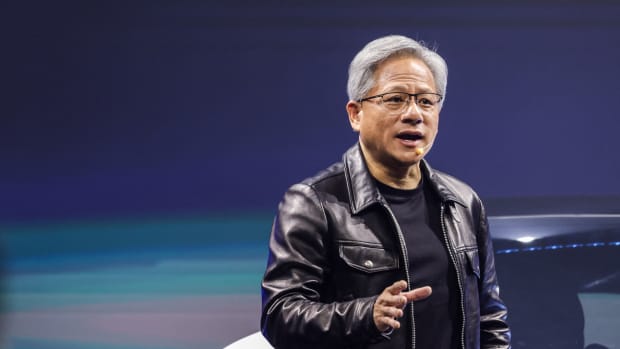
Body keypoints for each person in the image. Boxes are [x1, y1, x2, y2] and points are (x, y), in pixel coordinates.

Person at [260, 35, 511, 349]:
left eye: (426, 101)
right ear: (356, 114)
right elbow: (279, 315)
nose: (414, 114)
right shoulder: (314, 203)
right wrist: (366, 316)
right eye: (395, 99)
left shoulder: (463, 203)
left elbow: (490, 319)